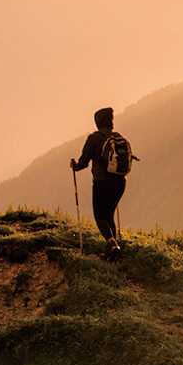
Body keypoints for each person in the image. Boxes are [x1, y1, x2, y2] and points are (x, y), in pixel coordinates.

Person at [70, 107, 125, 260]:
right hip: (120, 182)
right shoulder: (117, 137)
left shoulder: (94, 138)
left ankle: (113, 245)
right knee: (109, 216)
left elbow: (82, 163)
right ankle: (114, 251)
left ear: (98, 122)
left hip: (102, 183)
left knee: (100, 216)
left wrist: (74, 165)